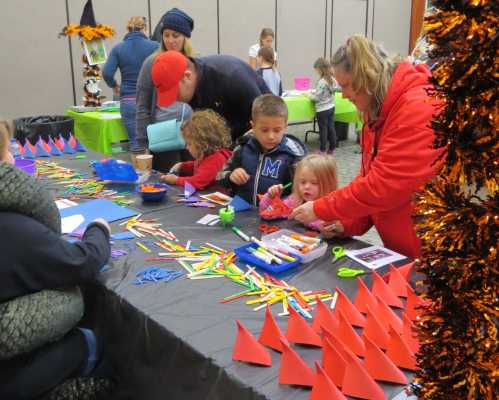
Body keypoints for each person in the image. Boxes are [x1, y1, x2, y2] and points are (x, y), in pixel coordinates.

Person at [290, 35, 443, 258]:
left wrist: (319, 208)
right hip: (403, 248)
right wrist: (346, 224)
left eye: (346, 86)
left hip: (432, 249)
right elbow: (367, 183)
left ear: (366, 78)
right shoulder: (376, 110)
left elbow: (383, 187)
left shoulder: (417, 107)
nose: (343, 94)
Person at [0, 119, 113, 397]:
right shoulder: (13, 229)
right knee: (93, 342)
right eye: (7, 149)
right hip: (9, 379)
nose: (13, 156)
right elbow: (82, 262)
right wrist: (99, 229)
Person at [147, 50, 270, 144]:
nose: (174, 100)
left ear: (187, 76)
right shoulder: (192, 89)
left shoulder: (231, 78)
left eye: (175, 93)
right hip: (231, 140)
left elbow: (267, 121)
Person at [135, 8, 195, 172]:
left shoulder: (193, 63)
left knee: (192, 185)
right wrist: (143, 145)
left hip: (191, 137)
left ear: (185, 37)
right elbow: (142, 105)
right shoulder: (152, 62)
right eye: (166, 35)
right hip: (163, 138)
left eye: (175, 36)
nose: (170, 40)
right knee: (168, 184)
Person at [218, 94, 306, 205]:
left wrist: (283, 197)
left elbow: (303, 190)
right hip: (243, 211)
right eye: (264, 130)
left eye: (277, 130)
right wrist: (230, 176)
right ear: (253, 126)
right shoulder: (243, 147)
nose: (271, 136)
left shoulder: (292, 154)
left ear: (285, 127)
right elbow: (219, 177)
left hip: (276, 214)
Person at [102, 16, 159, 151]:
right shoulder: (155, 46)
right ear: (145, 28)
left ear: (128, 29)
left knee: (136, 145)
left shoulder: (118, 49)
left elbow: (107, 73)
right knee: (155, 145)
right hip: (150, 101)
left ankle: (139, 170)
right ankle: (154, 171)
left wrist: (115, 86)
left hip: (128, 101)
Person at [260, 154, 338, 231]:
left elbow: (336, 228)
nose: (306, 187)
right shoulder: (294, 201)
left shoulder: (335, 206)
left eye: (314, 183)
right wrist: (271, 197)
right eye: (303, 182)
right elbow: (266, 214)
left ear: (329, 184)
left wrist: (311, 220)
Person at [160, 110, 232, 190]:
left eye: (189, 144)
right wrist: (183, 166)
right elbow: (200, 166)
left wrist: (176, 180)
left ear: (202, 143)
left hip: (214, 200)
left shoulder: (215, 160)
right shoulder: (208, 156)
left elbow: (197, 182)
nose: (187, 147)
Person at [308, 57, 338, 154]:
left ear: (320, 69)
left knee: (323, 130)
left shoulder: (322, 82)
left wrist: (309, 95)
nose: (316, 72)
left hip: (322, 110)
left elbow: (316, 98)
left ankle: (322, 149)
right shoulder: (332, 79)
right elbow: (334, 90)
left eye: (316, 70)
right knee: (331, 128)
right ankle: (332, 147)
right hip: (331, 107)